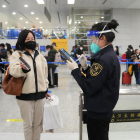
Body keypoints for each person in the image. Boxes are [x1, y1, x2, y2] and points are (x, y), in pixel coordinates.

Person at [66, 19, 120, 140]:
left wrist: (75, 70)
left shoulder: (102, 59)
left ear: (103, 38)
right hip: (103, 107)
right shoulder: (109, 55)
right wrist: (85, 68)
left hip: (98, 110)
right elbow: (98, 80)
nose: (92, 42)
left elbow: (89, 87)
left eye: (93, 39)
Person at [9, 30, 50, 140]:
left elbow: (44, 75)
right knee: (28, 125)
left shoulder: (40, 56)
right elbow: (13, 71)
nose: (31, 41)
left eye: (32, 39)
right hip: (24, 96)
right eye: (28, 39)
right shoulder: (17, 55)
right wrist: (22, 69)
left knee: (37, 125)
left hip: (40, 96)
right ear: (22, 40)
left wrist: (45, 89)